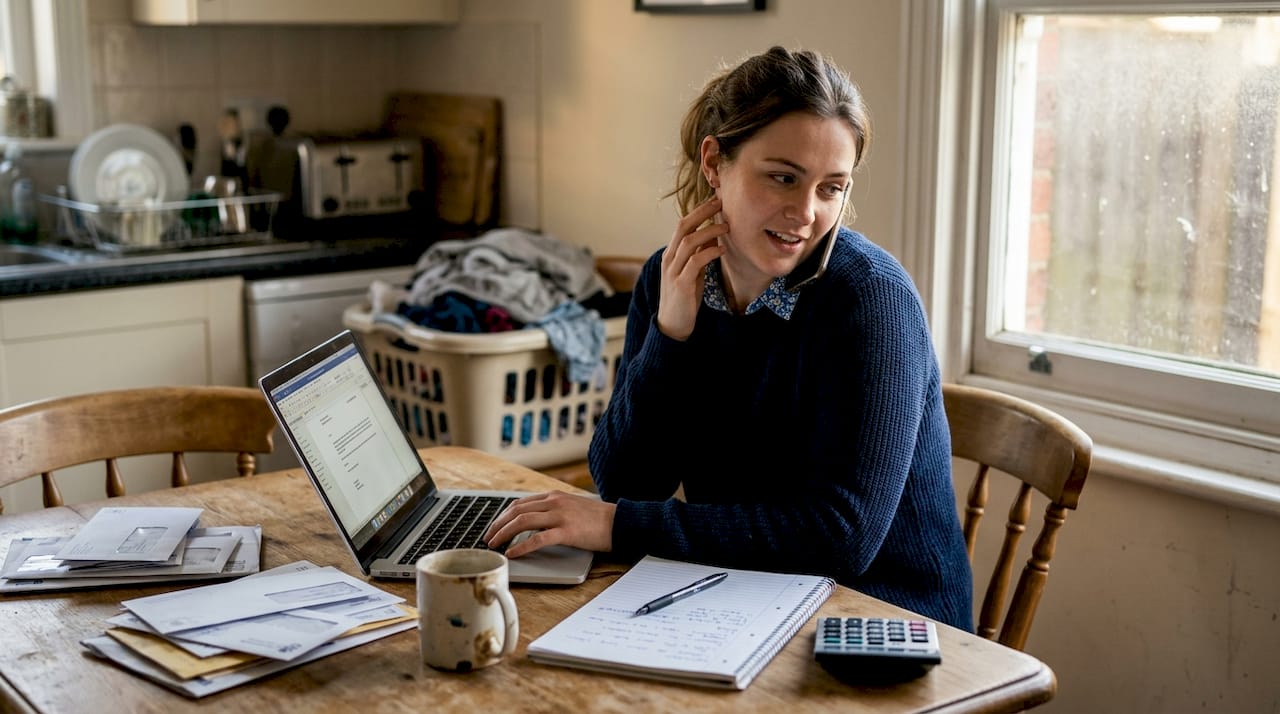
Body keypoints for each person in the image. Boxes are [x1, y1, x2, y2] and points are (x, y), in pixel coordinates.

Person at [485, 45, 973, 631]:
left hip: (884, 620)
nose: (805, 213)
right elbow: (627, 482)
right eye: (783, 178)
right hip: (745, 597)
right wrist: (671, 335)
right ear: (715, 163)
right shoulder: (669, 280)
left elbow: (843, 538)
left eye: (831, 188)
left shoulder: (869, 297)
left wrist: (618, 524)